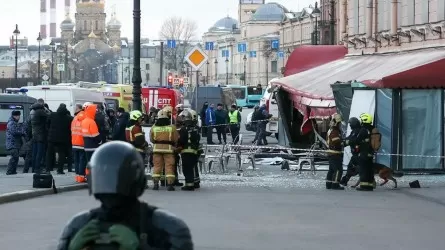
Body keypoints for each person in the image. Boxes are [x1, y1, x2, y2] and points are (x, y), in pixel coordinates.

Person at [56, 141, 193, 250]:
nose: (112, 184)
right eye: (105, 176)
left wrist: (140, 247)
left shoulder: (165, 227)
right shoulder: (79, 225)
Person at [344, 113, 375, 191]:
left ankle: (364, 186)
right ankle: (369, 185)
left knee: (364, 170)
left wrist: (347, 142)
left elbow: (357, 140)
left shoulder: (363, 130)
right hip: (370, 153)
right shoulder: (372, 129)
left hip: (364, 153)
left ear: (364, 120)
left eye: (361, 119)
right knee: (369, 170)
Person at [150, 109, 179, 191]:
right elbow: (176, 138)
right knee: (169, 166)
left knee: (157, 166)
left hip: (156, 149)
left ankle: (156, 184)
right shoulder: (172, 128)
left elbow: (151, 139)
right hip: (168, 150)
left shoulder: (154, 128)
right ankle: (170, 185)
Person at [177, 110, 201, 191]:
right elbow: (197, 140)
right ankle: (194, 183)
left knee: (186, 169)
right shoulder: (195, 129)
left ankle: (189, 185)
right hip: (194, 152)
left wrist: (178, 147)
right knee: (192, 168)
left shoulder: (183, 129)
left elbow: (181, 140)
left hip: (186, 152)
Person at [46, 103, 72, 174]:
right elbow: (70, 129)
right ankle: (60, 170)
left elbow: (47, 124)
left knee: (49, 153)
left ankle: (48, 168)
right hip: (63, 139)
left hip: (52, 137)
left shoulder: (52, 115)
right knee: (61, 154)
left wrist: (50, 131)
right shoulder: (69, 118)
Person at [340, 117, 361, 186]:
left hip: (358, 154)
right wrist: (343, 140)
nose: (350, 125)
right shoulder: (354, 131)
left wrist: (345, 142)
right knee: (352, 168)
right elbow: (349, 138)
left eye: (350, 124)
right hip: (356, 154)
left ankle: (344, 181)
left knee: (351, 168)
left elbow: (352, 140)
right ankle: (344, 180)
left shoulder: (357, 131)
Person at [325, 113, 344, 190]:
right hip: (335, 153)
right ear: (337, 123)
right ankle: (335, 185)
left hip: (331, 153)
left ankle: (328, 184)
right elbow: (335, 140)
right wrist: (343, 142)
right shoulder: (335, 131)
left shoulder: (331, 130)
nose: (340, 125)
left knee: (331, 170)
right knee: (338, 170)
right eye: (339, 123)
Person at [30, 98, 49, 173]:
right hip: (40, 135)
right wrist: (46, 109)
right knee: (39, 153)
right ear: (42, 104)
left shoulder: (32, 110)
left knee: (34, 153)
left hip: (34, 134)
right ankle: (37, 168)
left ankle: (34, 168)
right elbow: (49, 115)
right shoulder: (40, 111)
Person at [5, 110, 24, 175]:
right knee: (14, 157)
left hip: (14, 143)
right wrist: (21, 132)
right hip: (12, 143)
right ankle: (9, 171)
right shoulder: (11, 123)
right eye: (18, 116)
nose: (19, 117)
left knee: (16, 157)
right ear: (15, 116)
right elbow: (14, 132)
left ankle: (13, 171)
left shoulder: (14, 122)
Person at [72, 103, 87, 183]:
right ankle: (81, 177)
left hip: (74, 142)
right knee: (82, 160)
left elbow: (72, 130)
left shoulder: (75, 118)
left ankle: (78, 176)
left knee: (76, 160)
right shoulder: (84, 117)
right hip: (82, 142)